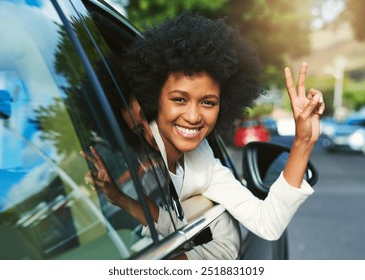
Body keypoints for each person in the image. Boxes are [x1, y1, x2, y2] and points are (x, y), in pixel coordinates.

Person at [81, 12, 325, 259]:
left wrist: (303, 140)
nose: (194, 116)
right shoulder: (144, 172)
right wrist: (118, 197)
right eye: (179, 99)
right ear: (155, 100)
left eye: (208, 102)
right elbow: (169, 224)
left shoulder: (205, 167)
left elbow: (268, 223)